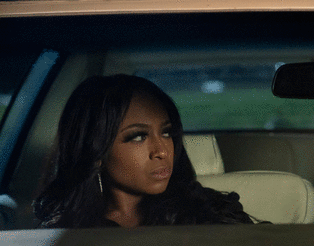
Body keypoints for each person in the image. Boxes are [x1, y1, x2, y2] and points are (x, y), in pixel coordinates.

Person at [34, 74, 253, 228]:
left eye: (166, 133)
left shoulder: (210, 213)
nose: (162, 152)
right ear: (96, 151)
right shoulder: (65, 233)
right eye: (138, 137)